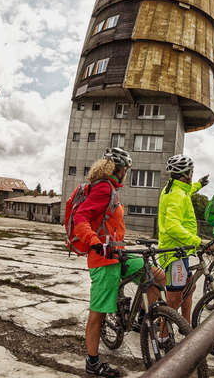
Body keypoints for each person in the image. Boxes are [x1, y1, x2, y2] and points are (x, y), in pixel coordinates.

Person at [73, 148, 166, 378]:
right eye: (126, 169)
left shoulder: (111, 189)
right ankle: (92, 362)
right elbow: (80, 218)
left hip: (118, 252)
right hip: (103, 259)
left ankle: (141, 319)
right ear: (119, 169)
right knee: (99, 314)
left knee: (156, 276)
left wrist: (123, 241)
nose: (127, 173)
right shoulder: (104, 188)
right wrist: (94, 241)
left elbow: (110, 222)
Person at [157, 154, 209, 322]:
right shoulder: (177, 195)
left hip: (180, 251)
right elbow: (172, 227)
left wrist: (199, 185)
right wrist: (199, 241)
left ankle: (186, 328)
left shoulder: (175, 188)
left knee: (189, 288)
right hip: (173, 254)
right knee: (174, 300)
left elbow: (188, 191)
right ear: (187, 174)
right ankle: (163, 337)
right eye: (192, 171)